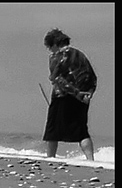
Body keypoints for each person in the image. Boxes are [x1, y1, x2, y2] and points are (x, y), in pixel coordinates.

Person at [42, 28, 97, 161]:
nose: (49, 50)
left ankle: (51, 158)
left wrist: (76, 93)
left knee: (52, 130)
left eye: (49, 47)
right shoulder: (81, 55)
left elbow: (57, 78)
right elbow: (93, 77)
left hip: (63, 96)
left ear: (55, 44)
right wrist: (88, 93)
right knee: (82, 131)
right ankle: (90, 160)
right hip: (83, 98)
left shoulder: (56, 56)